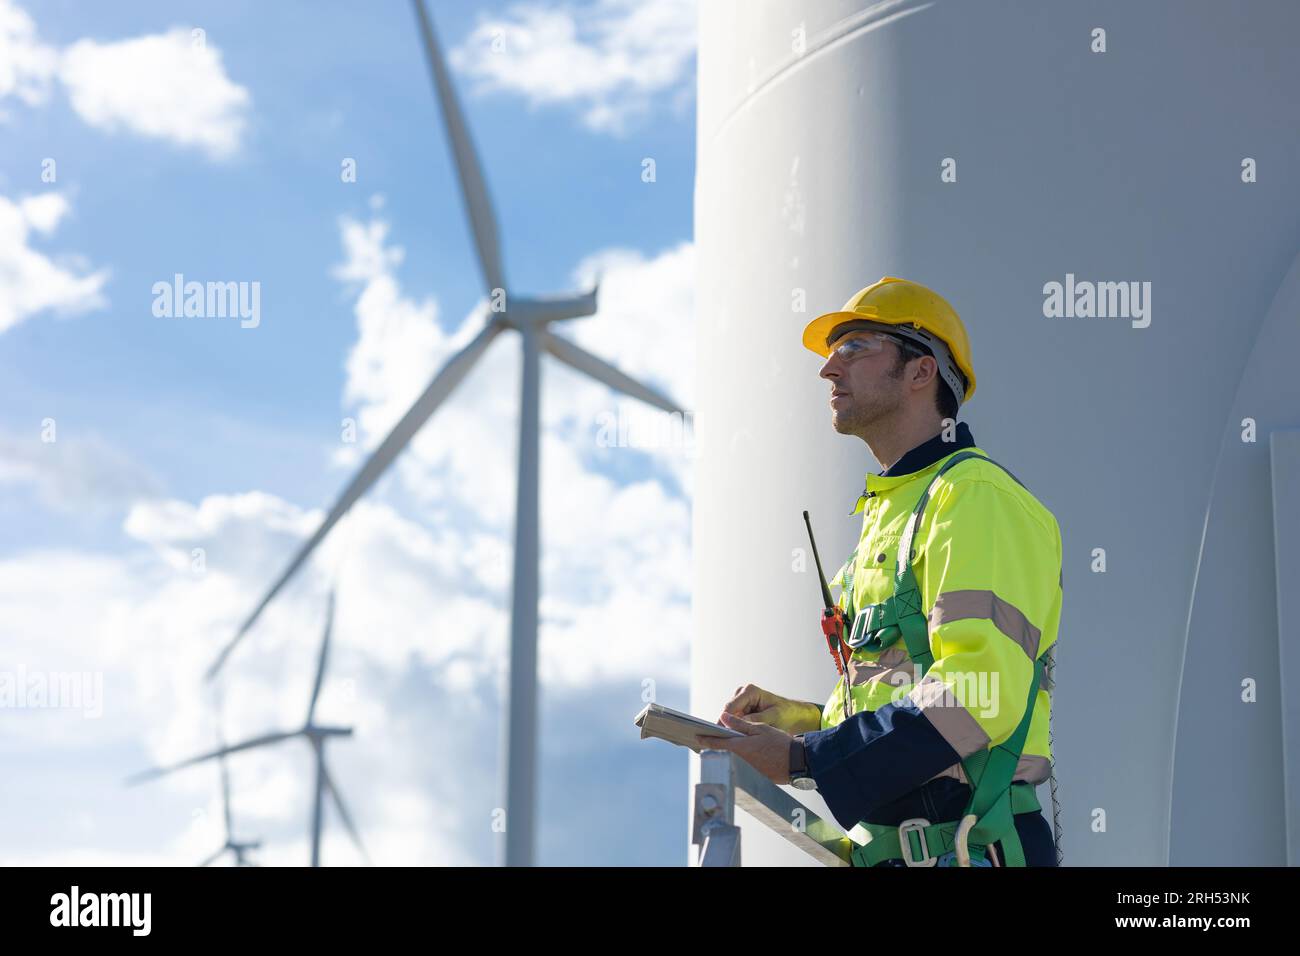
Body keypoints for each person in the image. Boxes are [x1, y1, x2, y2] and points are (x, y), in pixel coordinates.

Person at [696, 276, 1062, 867]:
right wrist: (806, 723)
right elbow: (908, 695)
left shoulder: (974, 497)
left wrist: (806, 757)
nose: (828, 371)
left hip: (970, 848)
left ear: (921, 373)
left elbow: (978, 693)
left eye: (855, 346)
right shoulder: (896, 511)